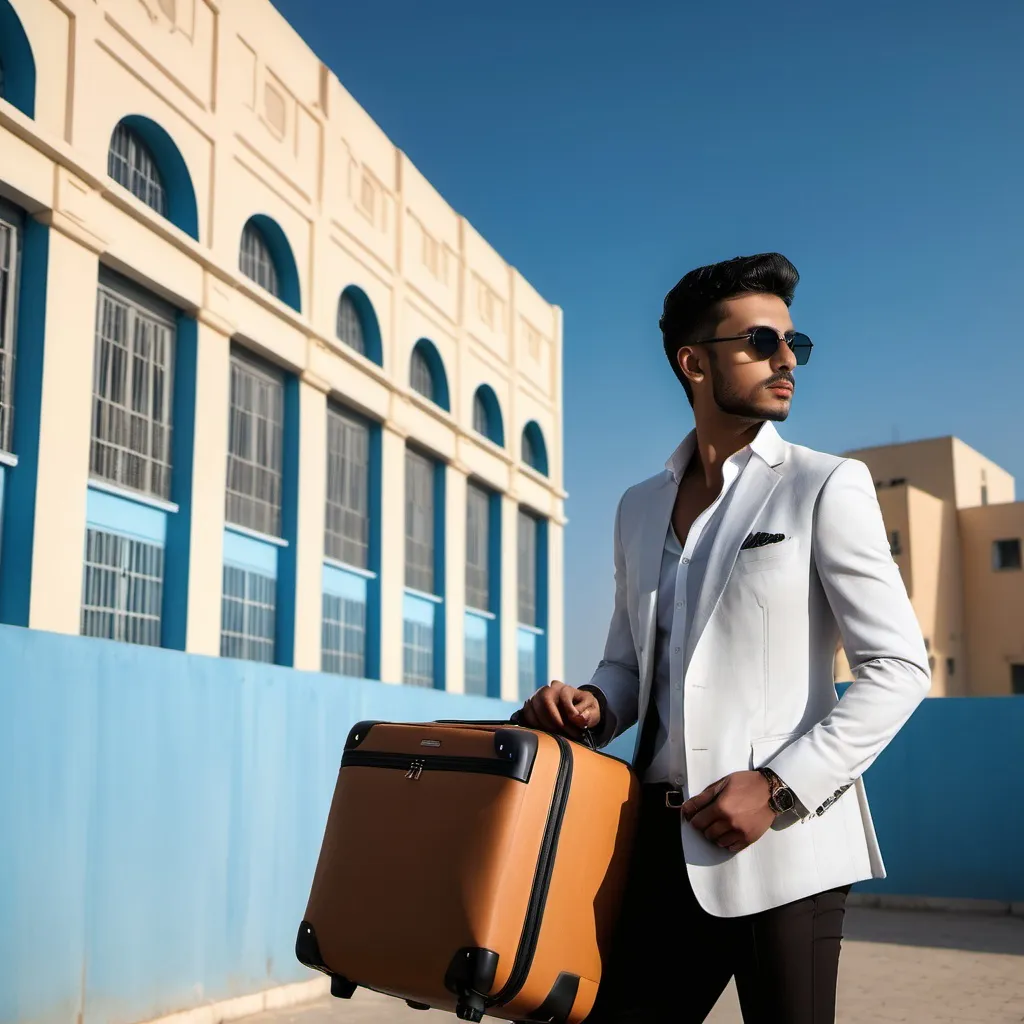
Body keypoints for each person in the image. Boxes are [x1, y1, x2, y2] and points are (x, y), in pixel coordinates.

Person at [517, 253, 930, 1024]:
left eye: (793, 344)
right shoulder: (638, 508)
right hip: (657, 848)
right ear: (693, 363)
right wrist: (591, 707)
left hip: (786, 853)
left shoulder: (824, 484)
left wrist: (777, 789)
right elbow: (627, 664)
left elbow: (901, 668)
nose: (786, 360)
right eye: (761, 341)